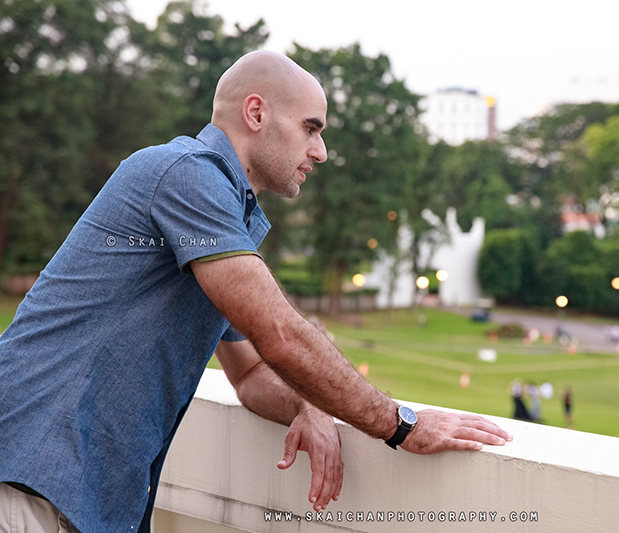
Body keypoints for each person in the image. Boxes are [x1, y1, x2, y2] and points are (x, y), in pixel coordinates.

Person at [0, 51, 512, 533]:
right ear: (256, 113)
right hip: (27, 483)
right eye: (311, 128)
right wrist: (401, 425)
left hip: (65, 497)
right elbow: (281, 334)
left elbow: (249, 371)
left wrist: (309, 401)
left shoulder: (216, 218)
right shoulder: (187, 175)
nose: (322, 151)